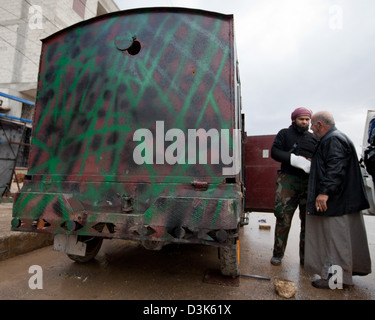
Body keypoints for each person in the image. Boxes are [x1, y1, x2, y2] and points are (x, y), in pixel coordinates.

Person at [305, 111, 372, 289]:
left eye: (312, 125)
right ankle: (341, 276)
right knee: (339, 241)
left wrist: (324, 192)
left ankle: (336, 280)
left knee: (336, 243)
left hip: (336, 202)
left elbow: (336, 168)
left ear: (320, 124)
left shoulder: (333, 139)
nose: (311, 129)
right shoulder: (336, 138)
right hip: (341, 201)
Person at [270, 107, 318, 266]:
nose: (304, 122)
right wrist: (296, 160)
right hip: (287, 181)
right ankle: (278, 254)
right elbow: (275, 152)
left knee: (308, 222)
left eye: (307, 120)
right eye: (301, 119)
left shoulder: (313, 138)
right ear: (294, 120)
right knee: (283, 218)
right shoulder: (284, 134)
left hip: (307, 183)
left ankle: (306, 258)